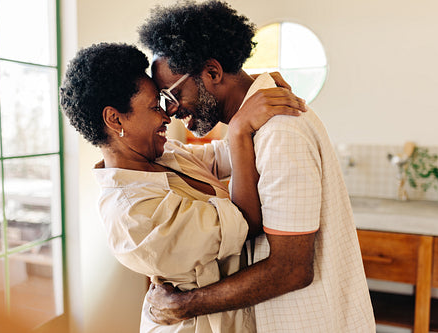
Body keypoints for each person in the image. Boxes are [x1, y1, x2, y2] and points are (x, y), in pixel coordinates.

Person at [139, 1, 376, 332]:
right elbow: (200, 156)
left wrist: (184, 305)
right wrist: (237, 130)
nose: (170, 111)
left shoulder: (280, 131)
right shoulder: (255, 129)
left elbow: (291, 269)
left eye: (170, 95)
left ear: (212, 72)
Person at [59, 42, 305, 332]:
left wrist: (250, 91)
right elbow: (245, 222)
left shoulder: (167, 155)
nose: (167, 116)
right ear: (115, 119)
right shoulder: (132, 213)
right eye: (155, 107)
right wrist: (238, 128)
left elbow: (232, 154)